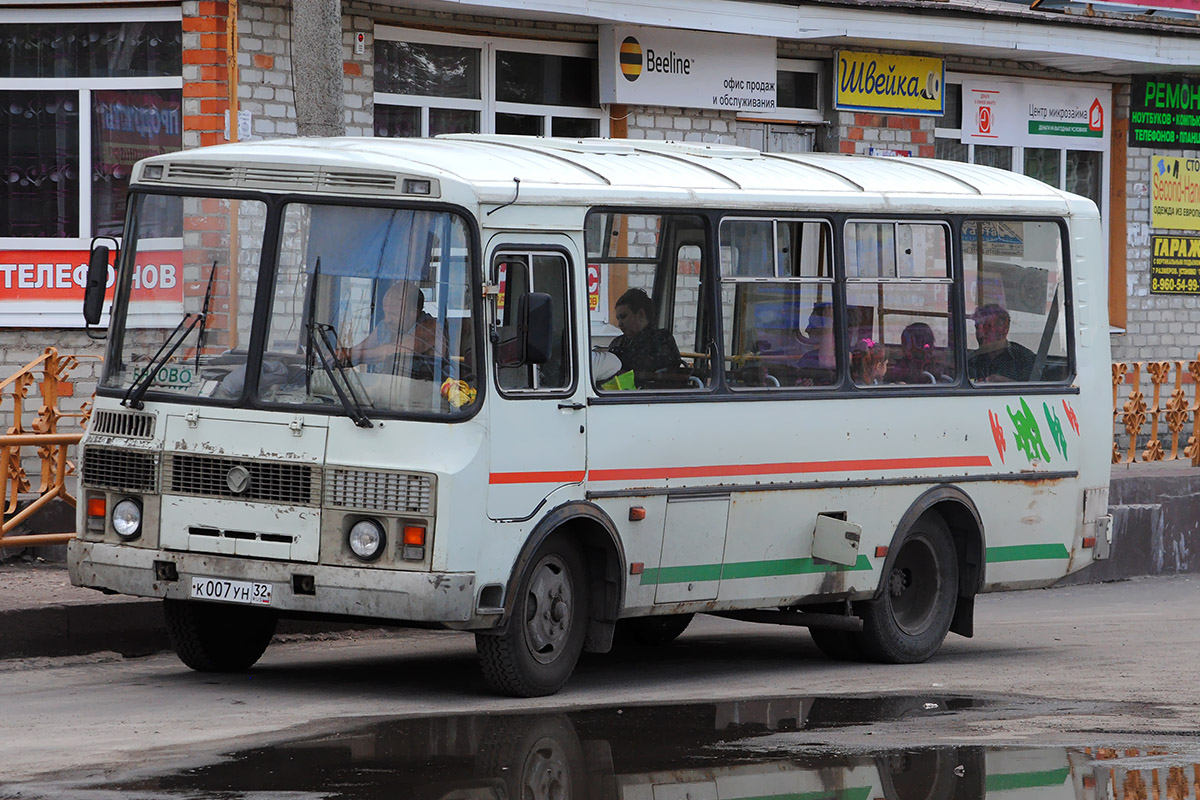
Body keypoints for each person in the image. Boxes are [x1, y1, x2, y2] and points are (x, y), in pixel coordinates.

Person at [342, 280, 441, 373]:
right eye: (385, 313)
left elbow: (391, 352)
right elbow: (359, 349)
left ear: (413, 313)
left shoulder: (431, 328)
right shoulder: (384, 326)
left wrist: (349, 355)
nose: (387, 320)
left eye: (393, 314)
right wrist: (337, 355)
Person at [606, 288, 683, 387]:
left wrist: (626, 374)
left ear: (641, 315)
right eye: (618, 318)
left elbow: (664, 376)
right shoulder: (618, 342)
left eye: (624, 317)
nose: (620, 323)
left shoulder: (661, 340)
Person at [968, 303, 1035, 382]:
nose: (980, 333)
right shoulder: (970, 360)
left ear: (1004, 330)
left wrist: (1005, 383)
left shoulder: (1024, 359)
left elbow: (1033, 391)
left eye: (987, 327)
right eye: (977, 327)